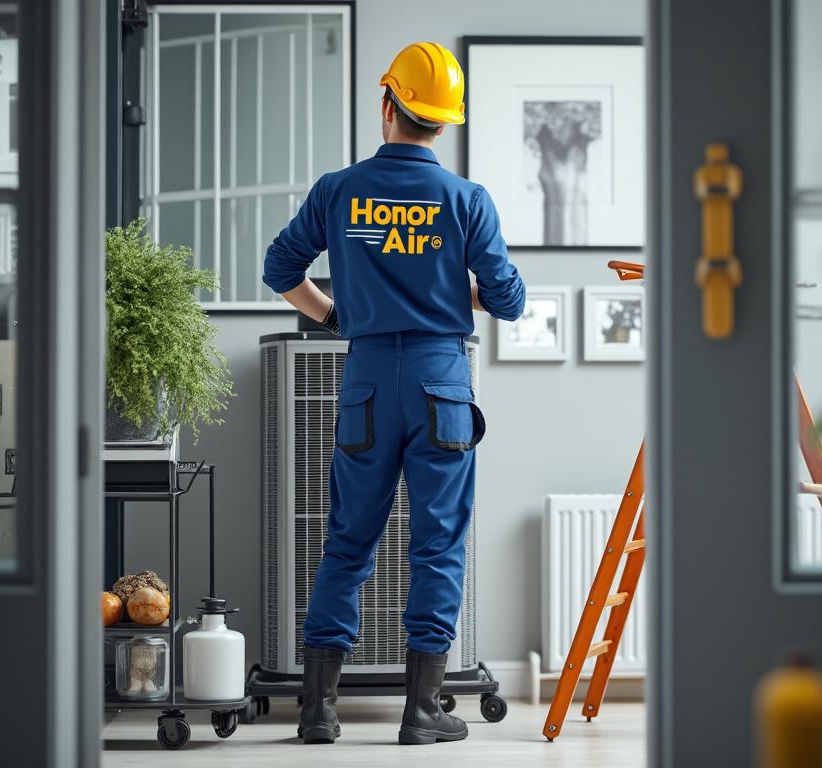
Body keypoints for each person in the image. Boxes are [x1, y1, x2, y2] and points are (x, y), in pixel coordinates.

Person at [262, 41, 525, 747]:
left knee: (347, 542)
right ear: (443, 124)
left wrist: (335, 314)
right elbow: (508, 298)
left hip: (367, 381)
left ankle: (318, 711)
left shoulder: (340, 189)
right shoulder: (467, 199)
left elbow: (279, 266)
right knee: (438, 546)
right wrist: (452, 288)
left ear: (388, 104)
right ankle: (423, 709)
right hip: (442, 380)